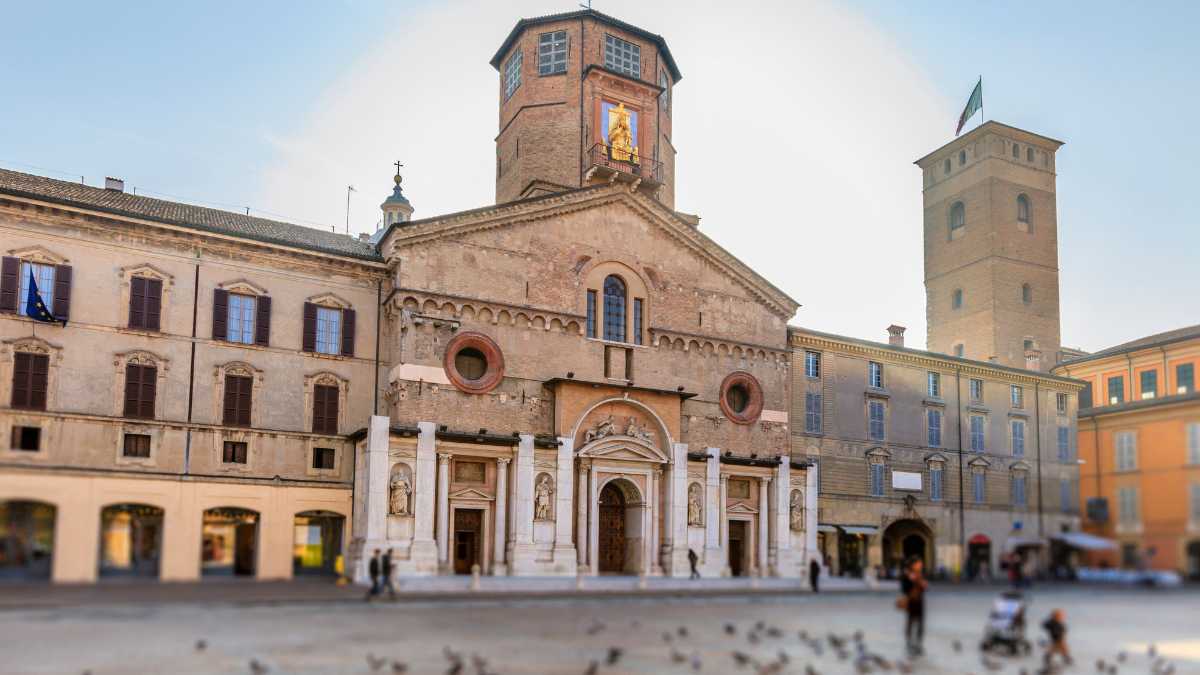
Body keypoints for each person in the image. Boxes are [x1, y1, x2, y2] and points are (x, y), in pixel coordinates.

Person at [899, 556, 928, 657]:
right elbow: (903, 588)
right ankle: (909, 643)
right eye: (919, 563)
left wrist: (923, 584)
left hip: (920, 601)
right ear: (913, 565)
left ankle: (918, 644)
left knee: (920, 623)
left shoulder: (919, 574)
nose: (921, 565)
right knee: (910, 622)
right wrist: (911, 580)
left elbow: (924, 588)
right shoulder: (906, 574)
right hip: (911, 601)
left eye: (921, 563)